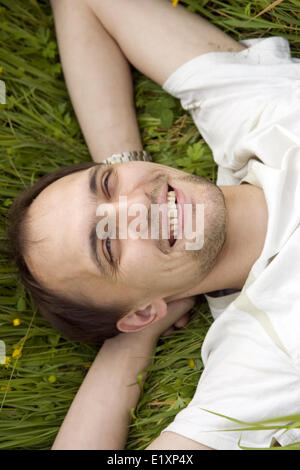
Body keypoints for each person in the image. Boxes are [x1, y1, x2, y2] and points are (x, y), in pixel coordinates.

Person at [7, 0, 300, 450]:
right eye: (108, 245)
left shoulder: (251, 113)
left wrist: (126, 166)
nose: (135, 208)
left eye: (106, 185)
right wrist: (129, 346)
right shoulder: (263, 352)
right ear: (144, 310)